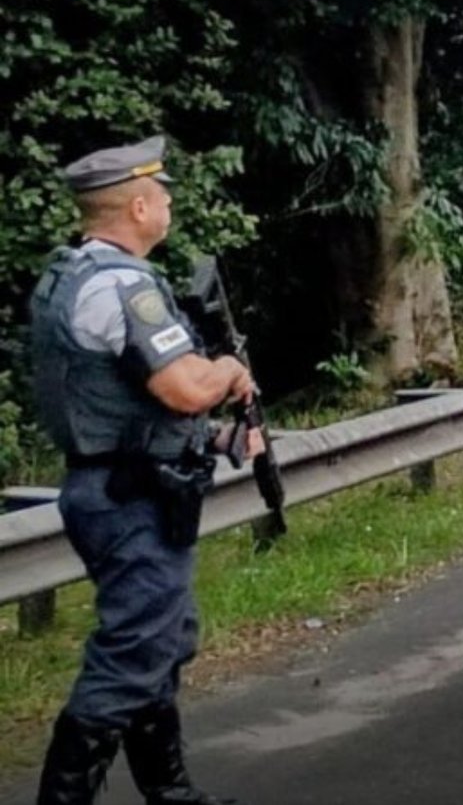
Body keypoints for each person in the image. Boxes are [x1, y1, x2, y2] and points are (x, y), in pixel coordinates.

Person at [30, 136, 263, 804]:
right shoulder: (123, 287)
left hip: (114, 483)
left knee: (159, 640)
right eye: (161, 194)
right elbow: (185, 388)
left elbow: (117, 400)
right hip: (129, 500)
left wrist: (215, 437)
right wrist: (227, 370)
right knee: (130, 655)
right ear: (137, 206)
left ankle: (172, 792)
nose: (168, 204)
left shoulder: (69, 273)